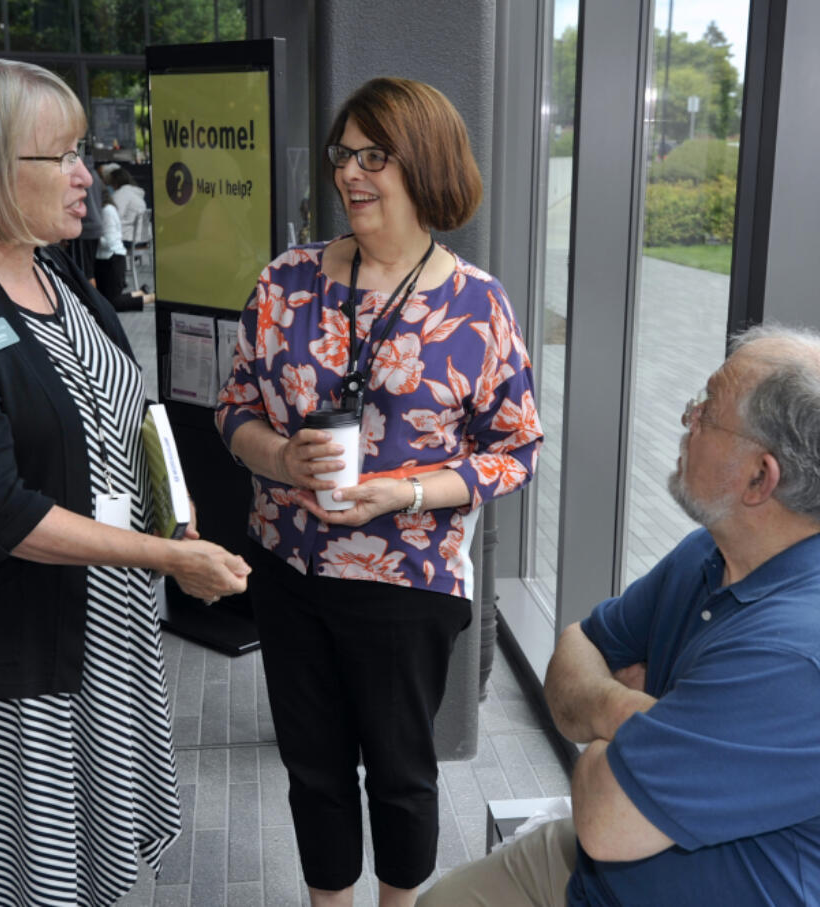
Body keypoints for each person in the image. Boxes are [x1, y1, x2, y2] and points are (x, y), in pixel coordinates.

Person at [0, 56, 250, 906]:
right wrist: (164, 557)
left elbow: (120, 420)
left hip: (102, 642)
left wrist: (174, 515)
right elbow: (0, 511)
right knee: (11, 876)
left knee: (87, 872)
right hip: (5, 670)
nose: (91, 175)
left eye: (86, 150)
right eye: (65, 155)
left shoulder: (56, 275)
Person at [419, 325, 820, 906]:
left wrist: (614, 722)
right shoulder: (719, 552)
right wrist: (635, 711)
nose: (687, 419)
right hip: (603, 879)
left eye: (708, 412)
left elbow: (604, 821)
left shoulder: (805, 650)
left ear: (761, 478)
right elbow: (575, 649)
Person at [216, 77, 543, 907]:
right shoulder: (286, 282)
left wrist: (406, 495)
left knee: (401, 772)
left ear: (423, 165)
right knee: (313, 764)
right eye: (343, 155)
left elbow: (516, 450)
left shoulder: (479, 306)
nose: (351, 175)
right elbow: (233, 410)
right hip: (289, 571)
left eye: (374, 156)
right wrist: (281, 460)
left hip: (408, 581)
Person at [94, 187, 154, 311]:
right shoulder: (107, 209)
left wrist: (94, 237)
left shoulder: (107, 211)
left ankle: (151, 298)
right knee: (107, 299)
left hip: (112, 258)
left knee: (113, 303)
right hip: (109, 257)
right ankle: (140, 293)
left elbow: (110, 241)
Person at [105, 164, 148, 253]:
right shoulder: (135, 193)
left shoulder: (121, 194)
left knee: (102, 241)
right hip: (142, 238)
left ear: (114, 182)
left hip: (129, 239)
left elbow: (113, 217)